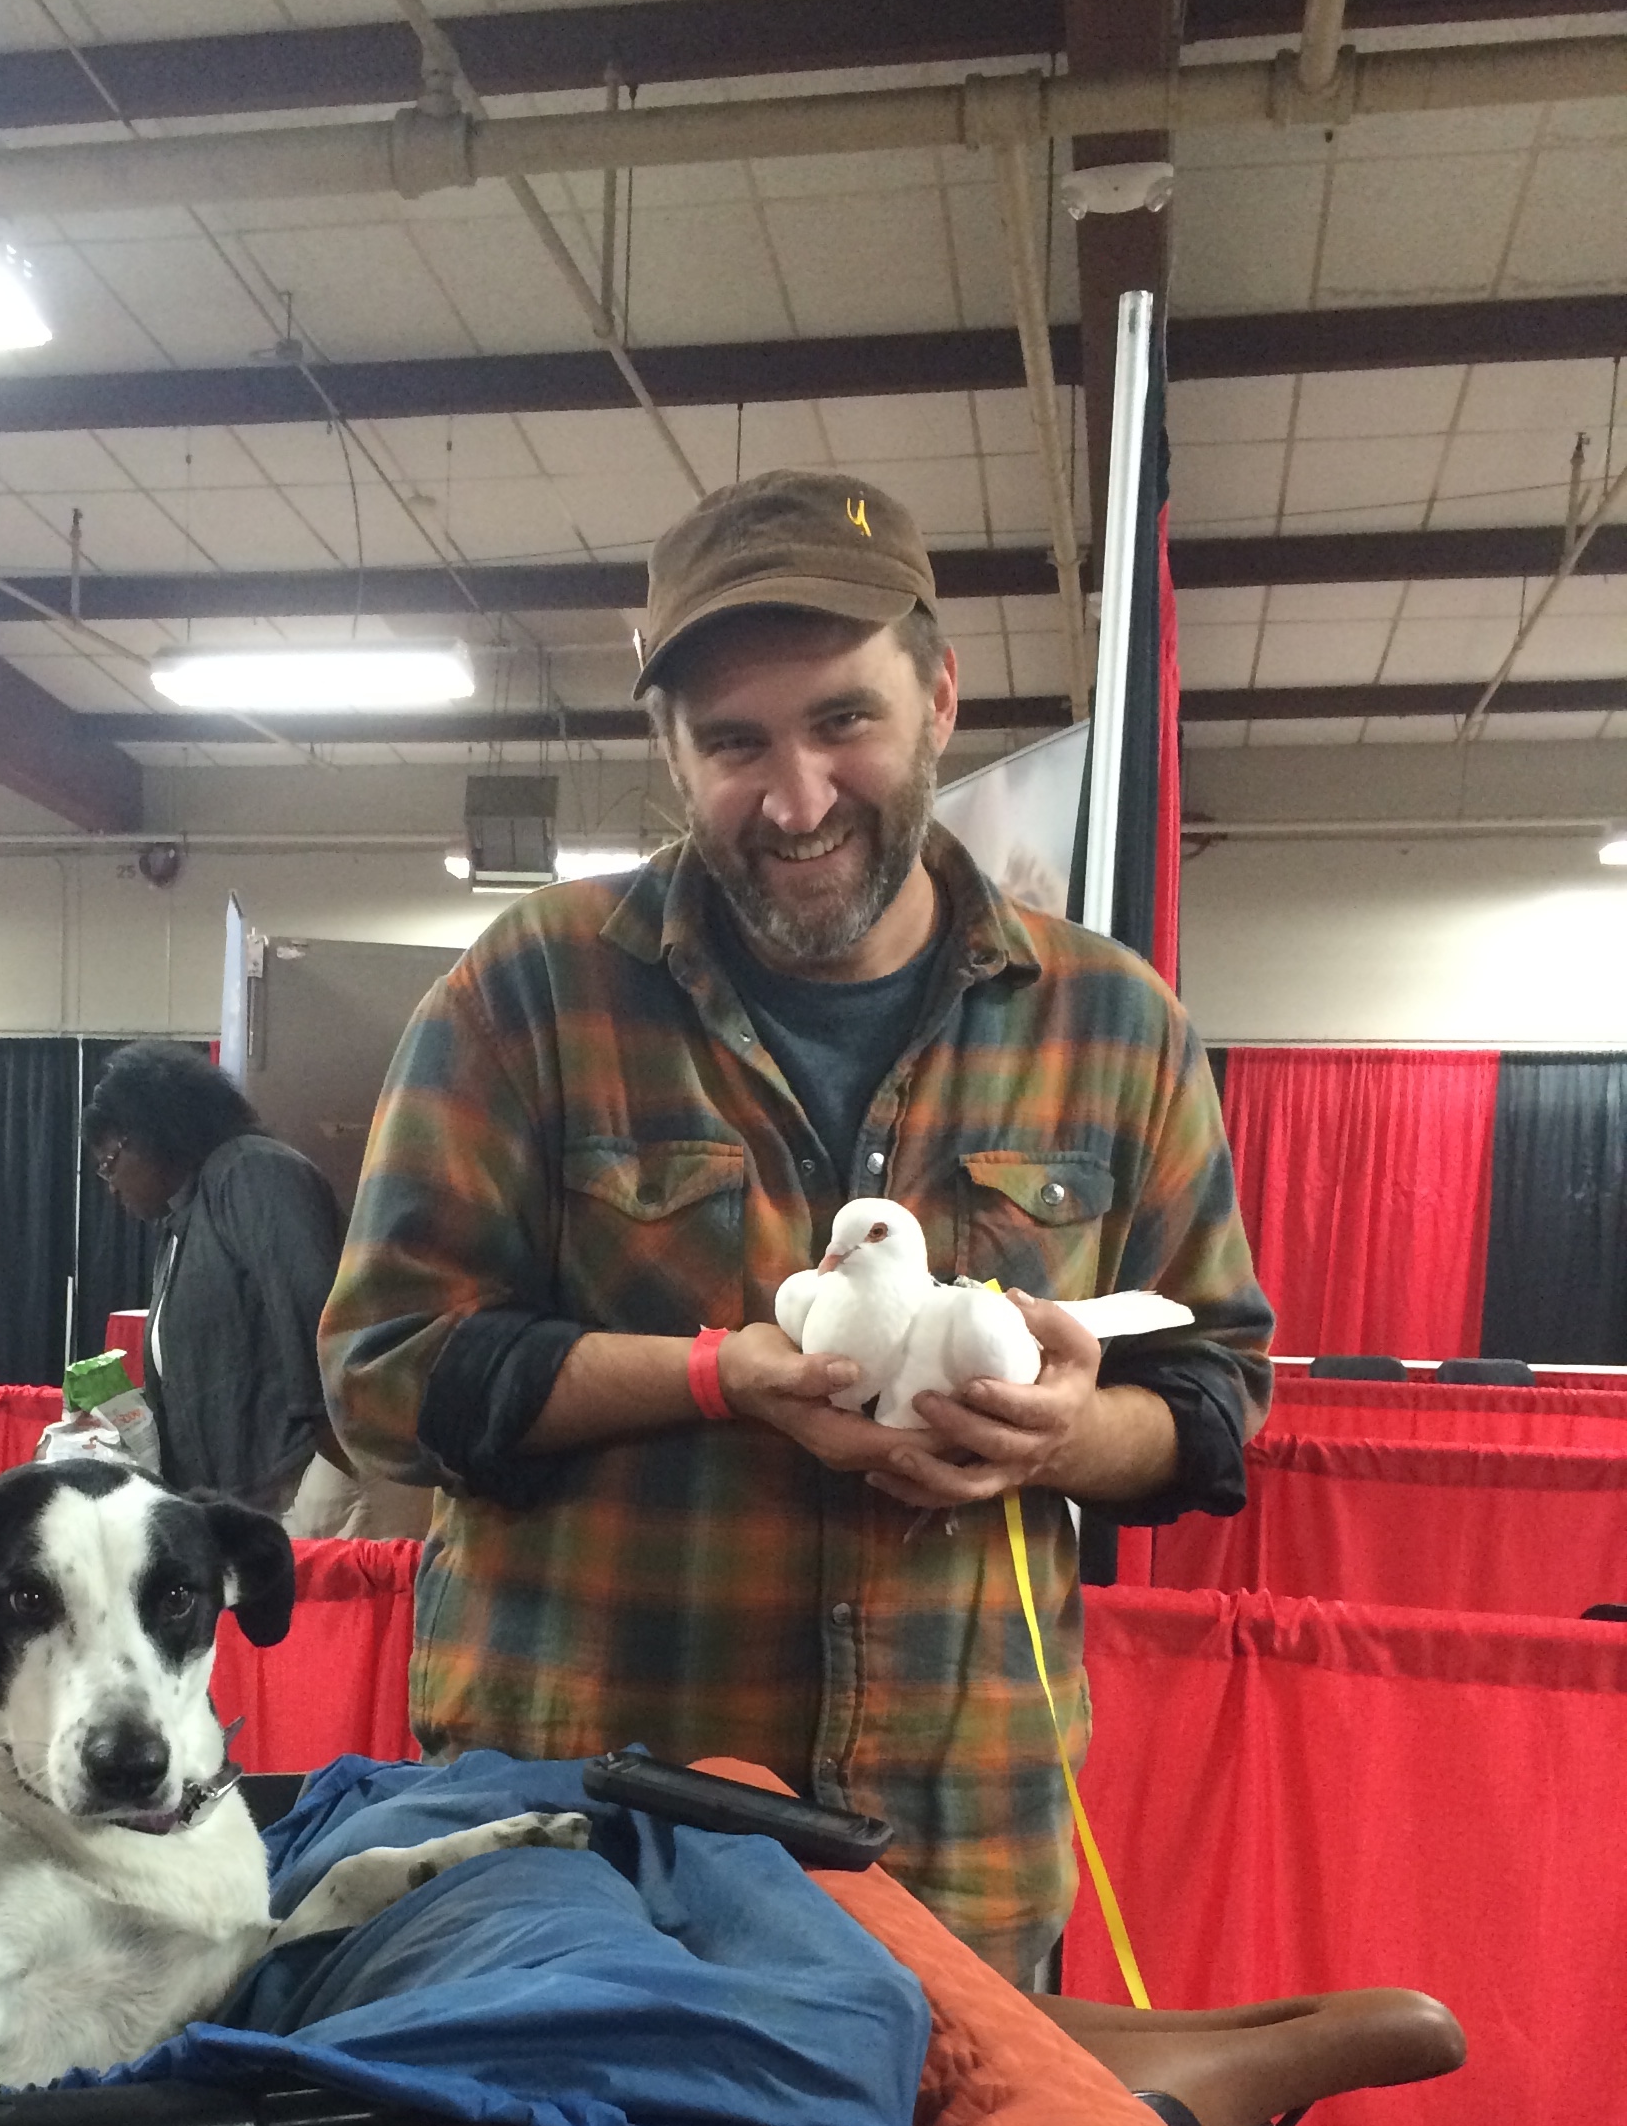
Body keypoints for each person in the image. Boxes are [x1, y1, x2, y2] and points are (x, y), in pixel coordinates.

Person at [320, 469, 1273, 1981]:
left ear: (940, 698)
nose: (799, 797)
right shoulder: (530, 991)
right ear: (671, 750)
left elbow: (1213, 1400)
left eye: (844, 721)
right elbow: (384, 1378)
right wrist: (713, 1378)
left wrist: (1058, 1437)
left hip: (956, 1852)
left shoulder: (1113, 1026)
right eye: (736, 744)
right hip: (593, 1853)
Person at [84, 1042, 411, 1529]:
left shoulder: (251, 1171)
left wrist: (330, 1451)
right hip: (254, 1498)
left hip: (309, 1481)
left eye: (110, 1162)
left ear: (153, 1129)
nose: (110, 1185)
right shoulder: (181, 1221)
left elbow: (314, 1308)